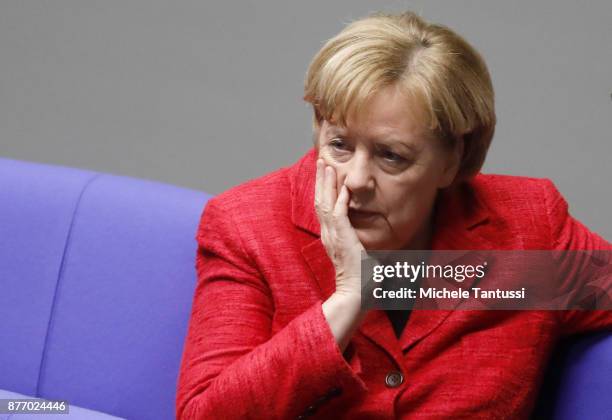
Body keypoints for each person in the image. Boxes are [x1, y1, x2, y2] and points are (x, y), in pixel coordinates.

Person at [176, 11, 612, 419]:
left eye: (391, 156)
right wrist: (348, 300)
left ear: (452, 161)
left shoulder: (525, 229)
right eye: (340, 145)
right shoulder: (249, 228)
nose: (355, 179)